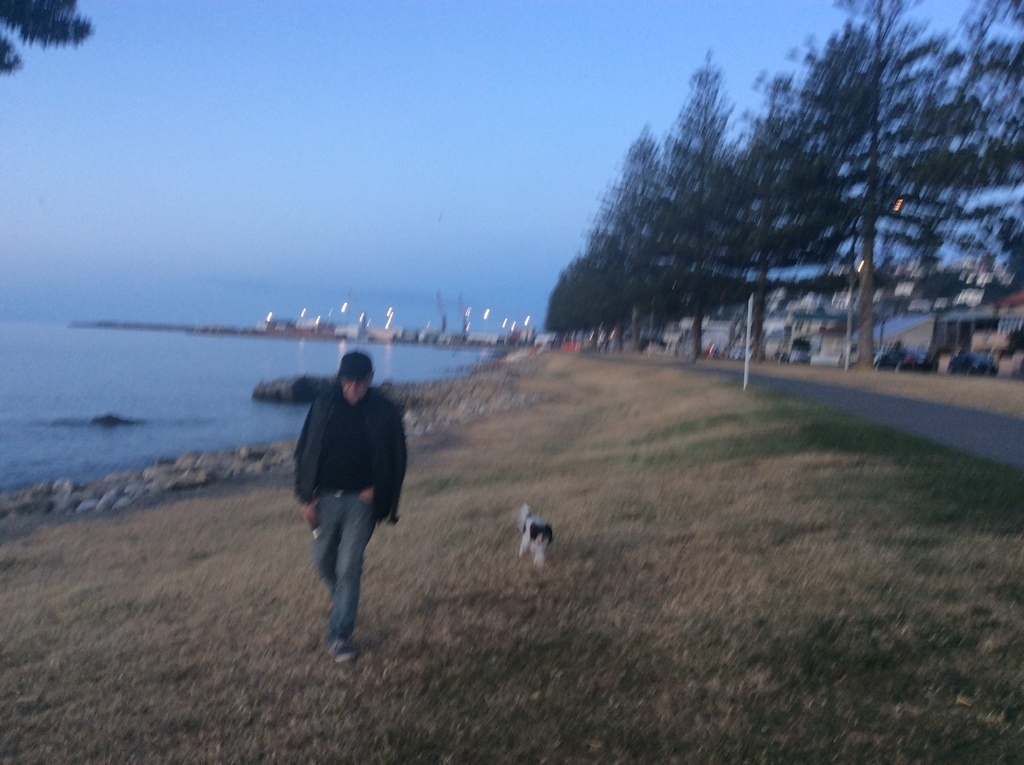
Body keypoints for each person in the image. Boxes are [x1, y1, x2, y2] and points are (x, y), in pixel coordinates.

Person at [294, 350, 407, 662]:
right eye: (347, 381)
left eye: (358, 382)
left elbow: (396, 458)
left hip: (362, 502)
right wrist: (305, 497)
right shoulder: (324, 405)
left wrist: (380, 491)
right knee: (322, 561)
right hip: (325, 497)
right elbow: (305, 450)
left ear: (370, 379)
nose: (351, 389)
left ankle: (339, 635)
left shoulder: (384, 410)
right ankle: (344, 599)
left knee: (348, 567)